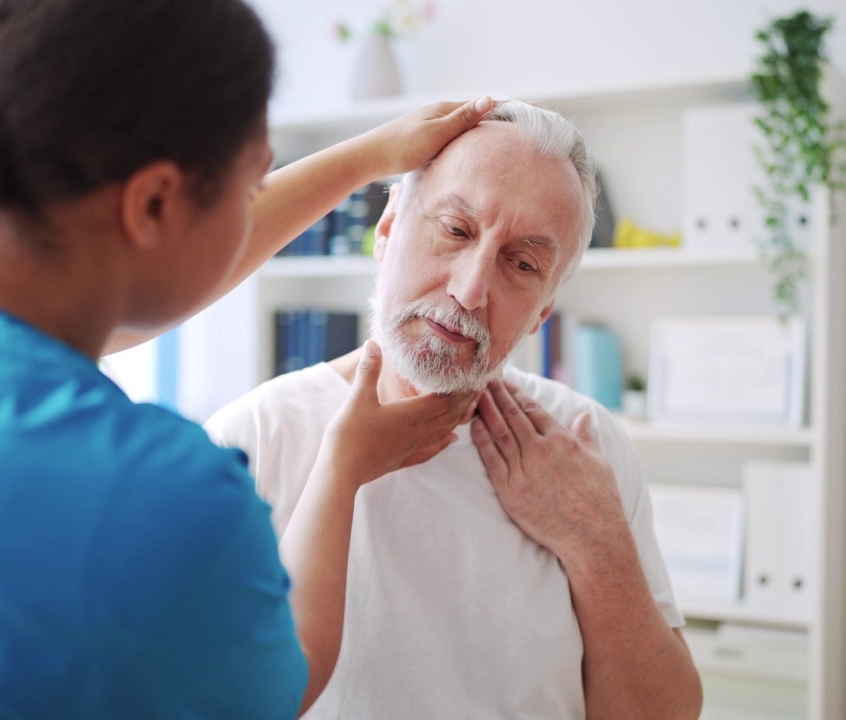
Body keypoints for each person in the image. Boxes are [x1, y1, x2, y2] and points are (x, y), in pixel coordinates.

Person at [0, 0, 490, 717]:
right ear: (156, 204)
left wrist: (368, 157)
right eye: (251, 181)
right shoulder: (159, 496)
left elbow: (67, 306)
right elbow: (281, 679)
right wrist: (344, 463)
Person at [205, 101, 704, 718]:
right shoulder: (251, 439)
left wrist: (595, 543)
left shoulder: (583, 442)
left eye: (522, 264)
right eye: (457, 230)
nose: (470, 289)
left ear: (541, 313)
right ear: (385, 234)